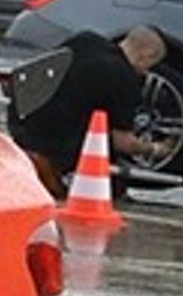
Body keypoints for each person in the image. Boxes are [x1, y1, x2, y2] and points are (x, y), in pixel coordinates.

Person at [9, 24, 168, 197]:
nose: (146, 72)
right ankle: (50, 167)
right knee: (113, 186)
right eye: (150, 65)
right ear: (146, 56)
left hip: (21, 120)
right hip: (54, 142)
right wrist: (154, 149)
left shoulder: (85, 40)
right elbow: (122, 142)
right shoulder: (124, 78)